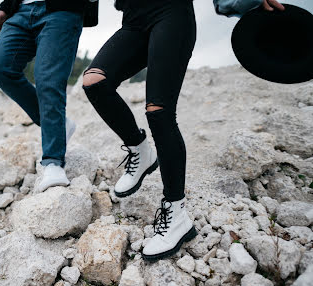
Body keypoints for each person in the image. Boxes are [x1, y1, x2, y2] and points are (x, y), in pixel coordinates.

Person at [82, 0, 285, 261]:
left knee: (159, 111)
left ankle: (176, 213)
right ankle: (140, 150)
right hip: (133, 19)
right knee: (94, 81)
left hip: (171, 13)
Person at [0, 0, 90, 192]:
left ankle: (53, 163)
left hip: (61, 9)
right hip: (21, 9)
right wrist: (5, 7)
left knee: (48, 79)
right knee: (0, 67)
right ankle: (59, 125)